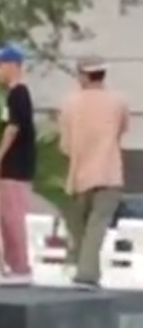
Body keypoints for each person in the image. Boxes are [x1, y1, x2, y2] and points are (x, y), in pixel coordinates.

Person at [58, 55, 128, 290]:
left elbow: (65, 145)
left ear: (83, 75)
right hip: (109, 172)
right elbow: (122, 130)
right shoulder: (118, 102)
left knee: (80, 225)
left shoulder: (70, 104)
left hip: (79, 175)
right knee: (97, 225)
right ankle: (88, 273)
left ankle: (84, 272)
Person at [0, 43, 35, 286]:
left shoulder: (19, 94)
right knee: (6, 217)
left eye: (0, 65)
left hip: (16, 166)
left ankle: (21, 267)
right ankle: (14, 266)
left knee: (13, 218)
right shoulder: (11, 95)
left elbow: (13, 128)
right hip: (11, 166)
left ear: (13, 65)